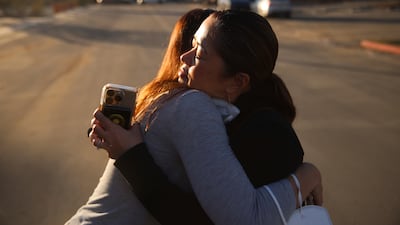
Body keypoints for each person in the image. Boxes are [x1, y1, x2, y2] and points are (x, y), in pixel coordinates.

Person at [67, 9, 323, 225]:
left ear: (238, 82)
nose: (183, 57)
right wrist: (308, 176)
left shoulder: (183, 101)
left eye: (199, 54)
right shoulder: (192, 105)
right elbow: (248, 218)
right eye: (191, 46)